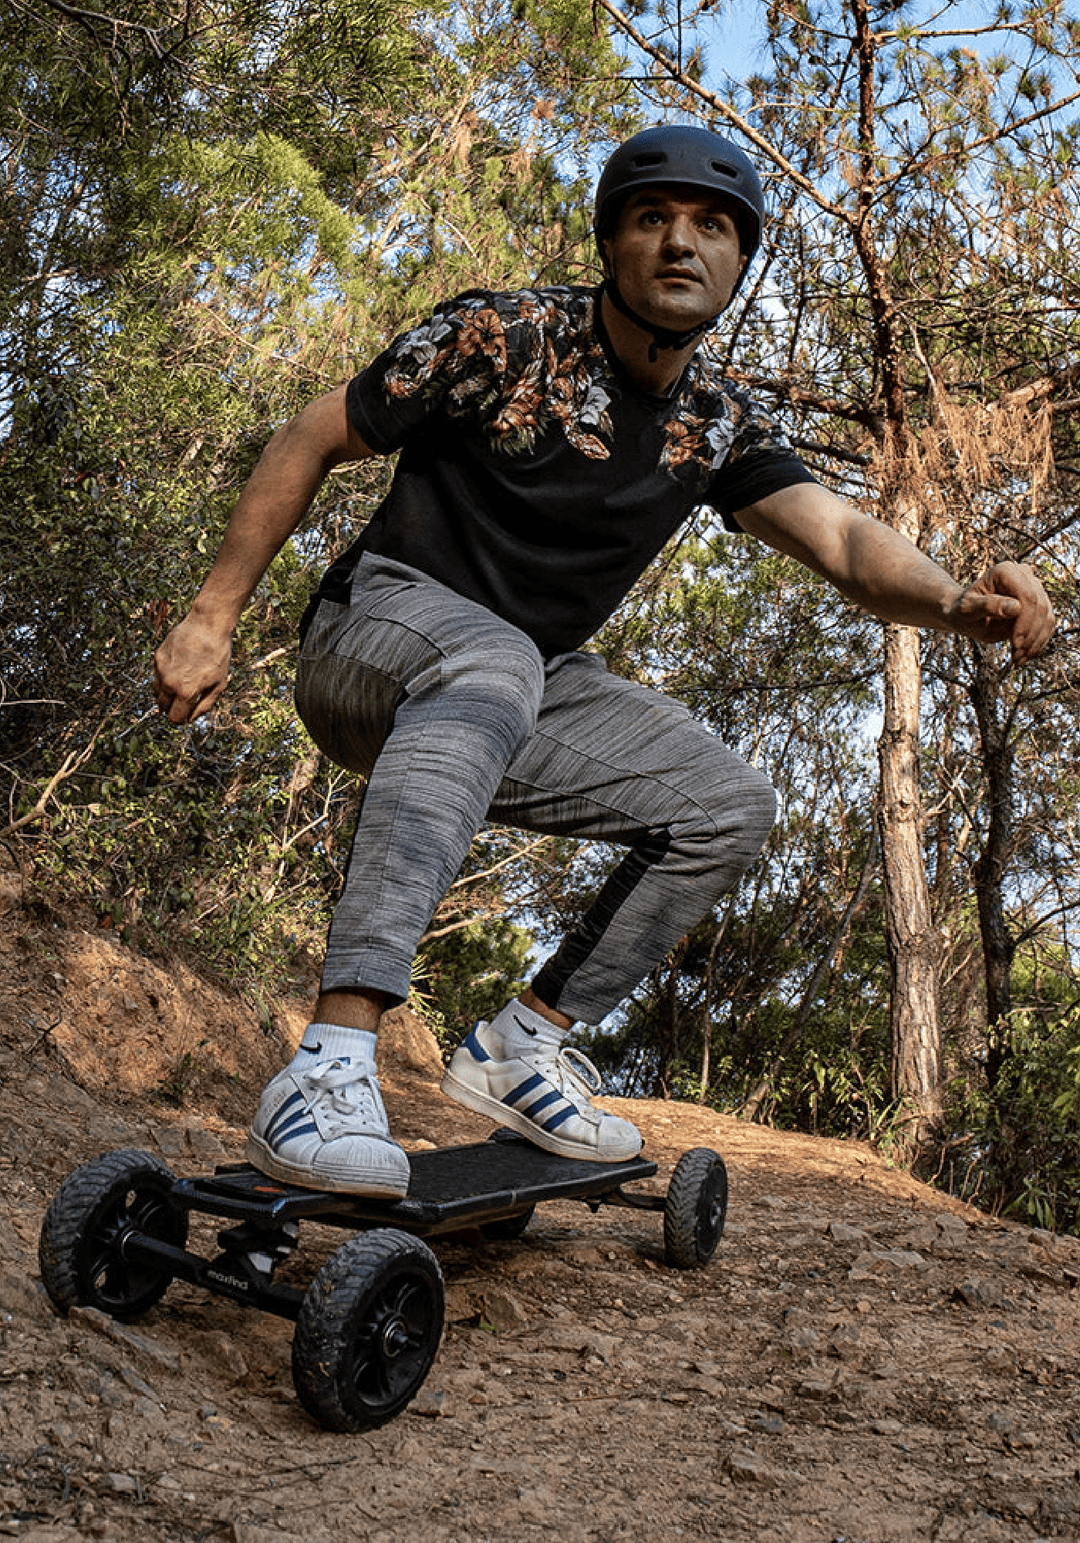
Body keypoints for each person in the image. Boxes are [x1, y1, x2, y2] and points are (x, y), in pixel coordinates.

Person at [152, 124, 1056, 1198]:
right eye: (652, 218)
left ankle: (521, 1050)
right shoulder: (502, 334)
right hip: (372, 641)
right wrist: (211, 618)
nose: (682, 242)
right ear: (610, 242)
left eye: (712, 226)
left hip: (511, 689)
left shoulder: (715, 422)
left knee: (726, 802)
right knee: (491, 659)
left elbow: (848, 544)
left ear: (739, 260)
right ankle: (329, 1063)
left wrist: (963, 603)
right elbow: (312, 435)